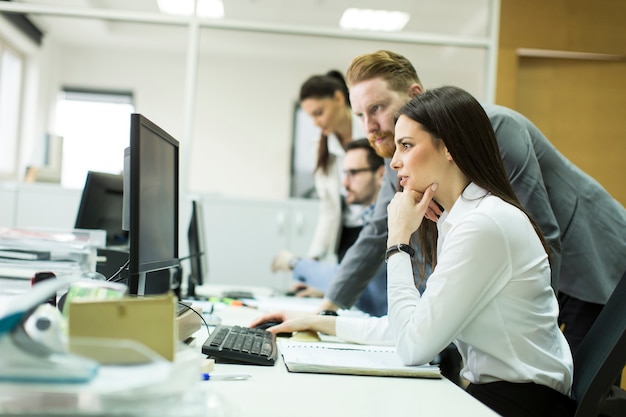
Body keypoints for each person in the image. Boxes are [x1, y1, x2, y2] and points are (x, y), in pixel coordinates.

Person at [251, 86, 576, 417]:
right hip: (499, 394)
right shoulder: (461, 219)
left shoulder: (483, 225)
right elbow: (412, 327)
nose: (394, 161)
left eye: (406, 146)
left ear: (449, 147)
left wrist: (398, 240)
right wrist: (319, 322)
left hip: (523, 404)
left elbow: (413, 347)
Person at [319, 50, 626, 354]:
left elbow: (543, 234)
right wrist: (328, 308)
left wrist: (535, 330)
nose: (368, 126)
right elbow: (378, 233)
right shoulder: (397, 161)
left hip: (591, 255)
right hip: (525, 267)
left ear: (414, 95)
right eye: (360, 115)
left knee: (572, 388)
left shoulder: (496, 131)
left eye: (376, 108)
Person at [272, 139, 387, 317]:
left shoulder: (388, 221)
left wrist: (293, 263)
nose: (345, 184)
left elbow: (350, 275)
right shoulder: (370, 217)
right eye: (344, 174)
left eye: (353, 173)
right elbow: (365, 287)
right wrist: (324, 290)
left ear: (381, 175)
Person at [285, 70, 366, 265]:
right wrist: (312, 261)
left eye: (319, 113)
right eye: (311, 116)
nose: (315, 123)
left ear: (338, 98)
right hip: (347, 234)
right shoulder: (319, 149)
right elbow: (329, 209)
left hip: (378, 228)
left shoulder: (370, 133)